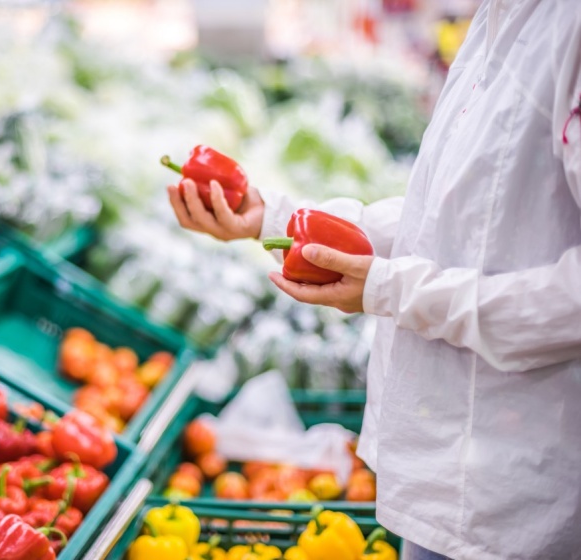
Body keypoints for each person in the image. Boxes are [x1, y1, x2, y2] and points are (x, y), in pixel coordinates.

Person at [167, 1, 581, 559]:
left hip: (519, 489)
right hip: (453, 466)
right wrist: (276, 219)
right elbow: (456, 214)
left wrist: (391, 289)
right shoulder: (500, 16)